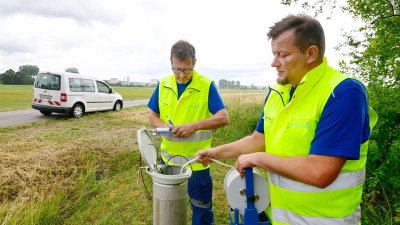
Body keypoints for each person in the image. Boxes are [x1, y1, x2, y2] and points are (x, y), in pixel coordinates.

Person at [196, 14, 378, 225]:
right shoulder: (277, 93)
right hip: (281, 218)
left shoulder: (343, 93)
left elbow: (320, 171)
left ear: (310, 53)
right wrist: (215, 152)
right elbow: (258, 139)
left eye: (282, 54)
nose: (274, 63)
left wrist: (258, 159)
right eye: (274, 54)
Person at [147, 40, 229, 225]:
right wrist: (165, 128)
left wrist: (195, 126)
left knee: (201, 209)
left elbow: (223, 117)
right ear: (171, 62)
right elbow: (152, 115)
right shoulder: (163, 84)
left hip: (197, 163)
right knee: (170, 209)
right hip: (168, 161)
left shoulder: (206, 86)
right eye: (177, 69)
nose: (182, 75)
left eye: (187, 70)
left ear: (194, 63)